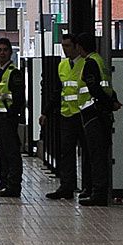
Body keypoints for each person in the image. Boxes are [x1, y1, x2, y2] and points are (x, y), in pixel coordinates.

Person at [70, 33, 118, 206]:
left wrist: (108, 103)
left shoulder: (90, 63)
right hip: (101, 113)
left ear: (80, 47)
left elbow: (95, 88)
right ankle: (95, 190)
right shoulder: (100, 60)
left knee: (96, 154)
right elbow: (108, 86)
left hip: (93, 114)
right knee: (99, 154)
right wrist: (112, 101)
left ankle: (98, 193)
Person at [41, 34, 85, 201]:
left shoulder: (85, 63)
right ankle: (67, 186)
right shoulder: (62, 65)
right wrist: (46, 111)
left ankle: (87, 186)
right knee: (66, 152)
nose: (65, 49)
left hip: (83, 114)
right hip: (67, 114)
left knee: (86, 153)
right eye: (63, 46)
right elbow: (58, 91)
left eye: (68, 46)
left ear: (76, 47)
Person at [0, 37, 25, 198]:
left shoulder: (14, 72)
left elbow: (18, 98)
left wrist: (12, 114)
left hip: (8, 117)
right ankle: (3, 183)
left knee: (11, 152)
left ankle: (13, 185)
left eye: (5, 50)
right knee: (2, 152)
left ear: (10, 52)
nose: (2, 53)